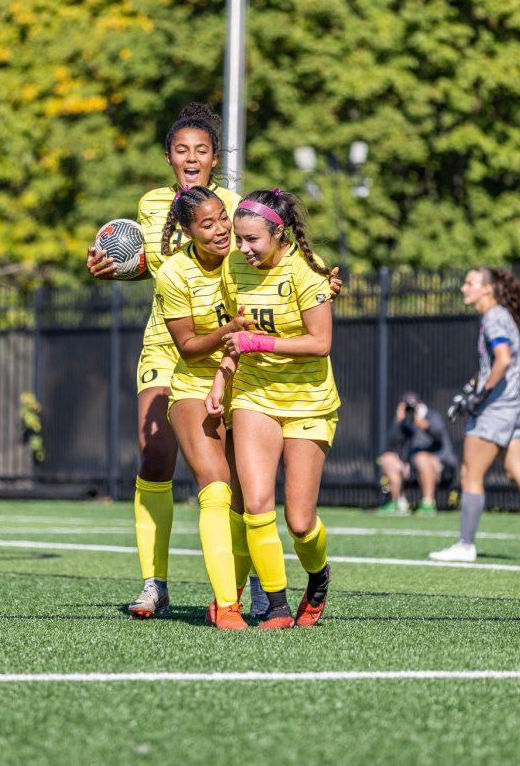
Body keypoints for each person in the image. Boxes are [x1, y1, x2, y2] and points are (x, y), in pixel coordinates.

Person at [86, 102, 243, 618]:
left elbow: (258, 262)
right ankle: (154, 583)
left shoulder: (234, 206)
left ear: (214, 159)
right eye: (181, 150)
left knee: (228, 470)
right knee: (154, 454)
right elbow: (149, 267)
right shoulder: (151, 204)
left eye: (201, 150)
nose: (191, 157)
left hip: (221, 345)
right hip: (164, 343)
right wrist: (112, 270)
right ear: (169, 159)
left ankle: (246, 582)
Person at [209, 188, 339, 629]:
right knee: (256, 504)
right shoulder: (234, 270)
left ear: (279, 234)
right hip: (254, 396)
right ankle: (278, 606)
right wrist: (221, 378)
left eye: (251, 240)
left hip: (309, 404)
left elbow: (320, 343)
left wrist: (260, 342)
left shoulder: (308, 272)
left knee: (300, 522)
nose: (241, 249)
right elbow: (236, 333)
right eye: (237, 239)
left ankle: (318, 579)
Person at [154, 186, 254, 630]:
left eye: (222, 219)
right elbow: (189, 347)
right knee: (215, 484)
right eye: (206, 224)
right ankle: (227, 605)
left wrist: (323, 285)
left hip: (248, 386)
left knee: (251, 499)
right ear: (188, 232)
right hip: (194, 386)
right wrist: (230, 329)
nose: (219, 230)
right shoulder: (174, 273)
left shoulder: (247, 257)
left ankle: (230, 591)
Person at [429, 267, 520, 564]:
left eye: (470, 283)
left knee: (470, 475)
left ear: (487, 289)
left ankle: (465, 545)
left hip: (496, 410)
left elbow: (502, 360)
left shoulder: (492, 318)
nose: (464, 287)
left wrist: (481, 394)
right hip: (514, 407)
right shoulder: (499, 316)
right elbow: (493, 366)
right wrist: (470, 387)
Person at [377, 392, 456, 516]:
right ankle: (398, 502)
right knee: (387, 459)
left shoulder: (431, 416)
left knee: (421, 457)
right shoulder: (405, 423)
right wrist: (398, 422)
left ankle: (428, 503)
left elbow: (439, 436)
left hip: (440, 468)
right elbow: (389, 444)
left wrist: (424, 425)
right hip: (413, 468)